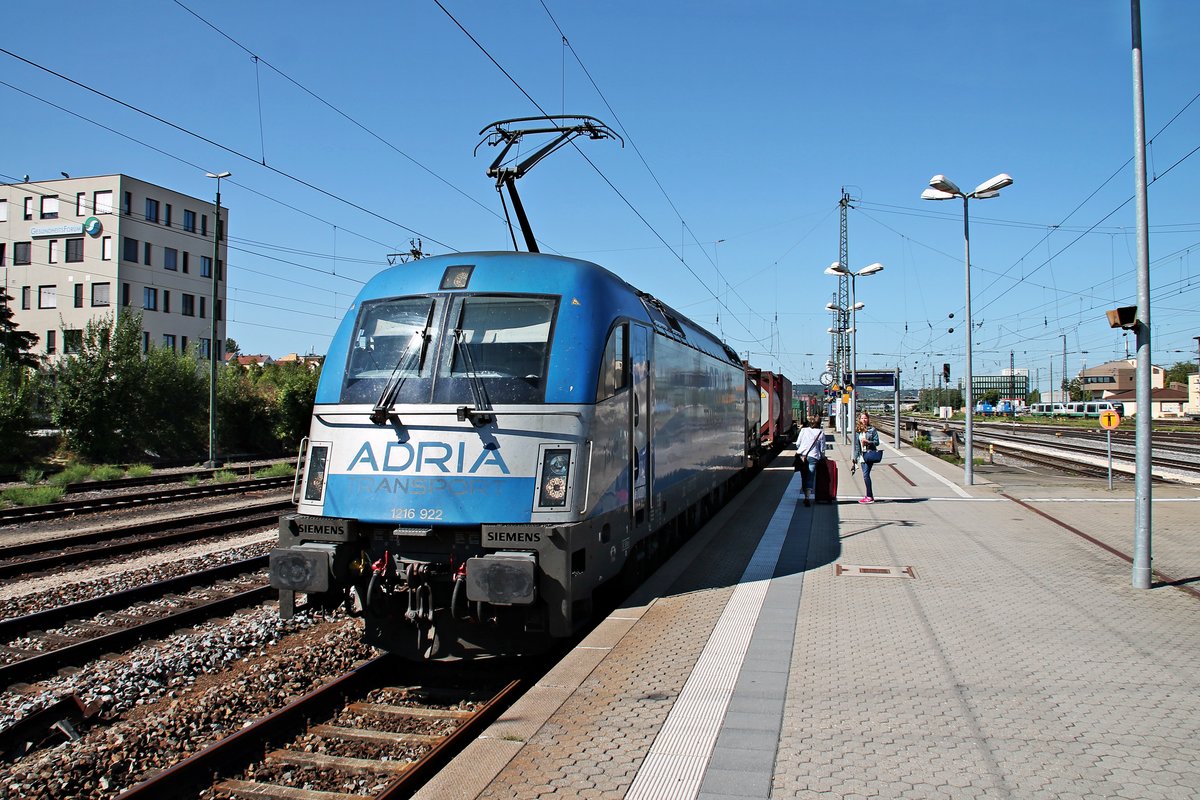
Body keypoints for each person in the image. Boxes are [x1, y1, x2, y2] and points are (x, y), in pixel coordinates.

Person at [794, 414, 825, 507]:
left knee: (803, 476)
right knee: (810, 477)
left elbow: (797, 444)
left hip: (801, 456)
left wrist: (802, 449)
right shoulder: (821, 433)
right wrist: (823, 457)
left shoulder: (803, 430)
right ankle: (807, 497)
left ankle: (804, 494)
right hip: (813, 457)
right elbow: (822, 449)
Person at [852, 411, 880, 504]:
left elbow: (877, 442)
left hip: (869, 454)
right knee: (865, 475)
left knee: (865, 474)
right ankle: (869, 495)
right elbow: (856, 445)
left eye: (865, 418)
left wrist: (868, 442)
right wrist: (854, 458)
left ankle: (869, 496)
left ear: (868, 419)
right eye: (862, 418)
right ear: (859, 420)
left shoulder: (872, 430)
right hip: (861, 455)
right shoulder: (857, 431)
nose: (864, 420)